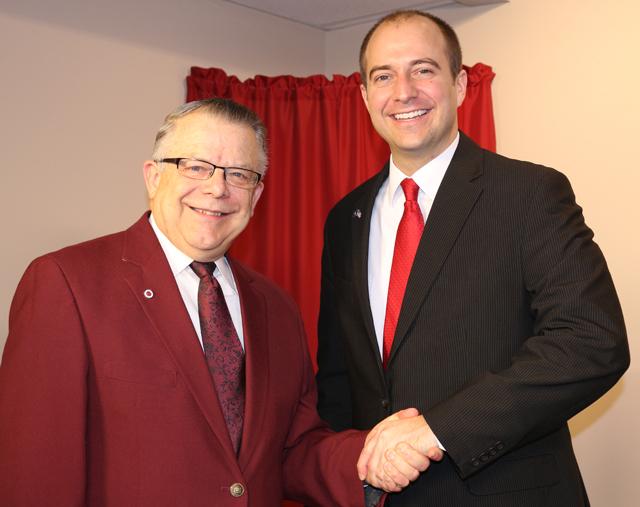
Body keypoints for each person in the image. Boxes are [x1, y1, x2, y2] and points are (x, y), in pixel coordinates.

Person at [0, 98, 428, 506]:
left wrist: (370, 455)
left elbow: (293, 450)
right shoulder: (67, 283)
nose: (217, 188)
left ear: (256, 195)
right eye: (196, 166)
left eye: (239, 174)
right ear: (152, 176)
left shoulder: (275, 307)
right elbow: (37, 471)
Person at [316, 10, 630, 506]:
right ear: (364, 97)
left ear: (460, 85)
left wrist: (436, 431)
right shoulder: (345, 219)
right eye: (383, 76)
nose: (403, 91)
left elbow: (591, 341)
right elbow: (339, 377)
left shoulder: (529, 193)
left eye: (423, 69)